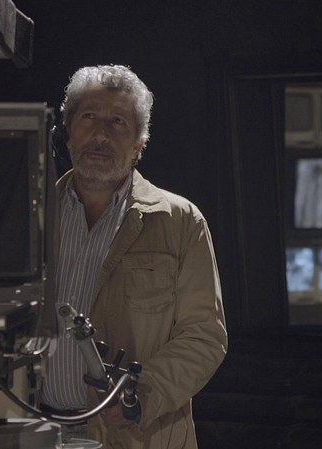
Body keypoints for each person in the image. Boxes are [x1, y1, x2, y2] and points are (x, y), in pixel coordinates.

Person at [41, 64, 228, 449]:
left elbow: (204, 336)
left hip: (135, 438)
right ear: (67, 133)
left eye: (118, 122)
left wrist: (141, 394)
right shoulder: (30, 218)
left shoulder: (180, 221)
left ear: (139, 144)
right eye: (88, 117)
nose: (100, 134)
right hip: (33, 429)